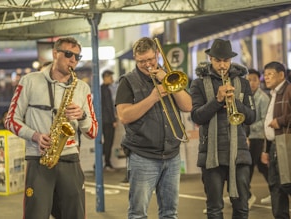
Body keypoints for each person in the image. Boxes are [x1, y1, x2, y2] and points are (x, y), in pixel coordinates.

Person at [5, 37, 98, 219]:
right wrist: (35, 136)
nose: (73, 60)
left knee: (75, 214)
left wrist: (82, 116)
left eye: (77, 57)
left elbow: (93, 132)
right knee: (36, 215)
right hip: (40, 159)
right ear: (55, 54)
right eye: (69, 54)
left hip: (70, 159)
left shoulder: (82, 87)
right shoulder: (29, 81)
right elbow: (10, 120)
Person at [115, 37, 192, 218]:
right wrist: (152, 98)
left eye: (150, 59)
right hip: (143, 156)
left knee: (170, 213)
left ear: (157, 54)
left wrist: (166, 79)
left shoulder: (168, 75)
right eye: (141, 61)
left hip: (172, 155)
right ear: (135, 58)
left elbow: (188, 106)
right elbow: (124, 116)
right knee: (138, 213)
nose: (147, 64)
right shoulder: (128, 81)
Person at [190, 38, 256, 219]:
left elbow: (251, 117)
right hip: (211, 153)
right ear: (211, 59)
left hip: (239, 154)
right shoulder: (198, 84)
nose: (222, 65)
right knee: (214, 208)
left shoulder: (242, 83)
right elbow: (196, 116)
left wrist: (236, 103)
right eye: (218, 60)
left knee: (242, 207)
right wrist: (217, 100)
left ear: (231, 60)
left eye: (226, 61)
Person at [262, 61, 291, 219]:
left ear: (281, 75)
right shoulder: (272, 94)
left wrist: (280, 121)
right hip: (274, 147)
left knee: (287, 184)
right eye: (264, 75)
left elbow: (276, 121)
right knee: (275, 187)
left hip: (287, 146)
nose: (266, 78)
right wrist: (265, 150)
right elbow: (267, 124)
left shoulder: (289, 90)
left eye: (270, 74)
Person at [246, 69, 270, 206]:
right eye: (249, 79)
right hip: (248, 137)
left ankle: (247, 196)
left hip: (259, 138)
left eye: (254, 79)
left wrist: (248, 127)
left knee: (250, 167)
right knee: (261, 167)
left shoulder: (263, 98)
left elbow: (265, 120)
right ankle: (276, 192)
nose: (251, 83)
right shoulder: (245, 97)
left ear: (259, 81)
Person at [101, 70, 117, 171]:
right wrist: (113, 119)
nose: (112, 79)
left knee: (106, 142)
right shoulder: (106, 90)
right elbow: (108, 106)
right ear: (105, 77)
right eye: (110, 77)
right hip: (108, 121)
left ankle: (103, 162)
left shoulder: (102, 89)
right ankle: (107, 163)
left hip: (103, 119)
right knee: (108, 142)